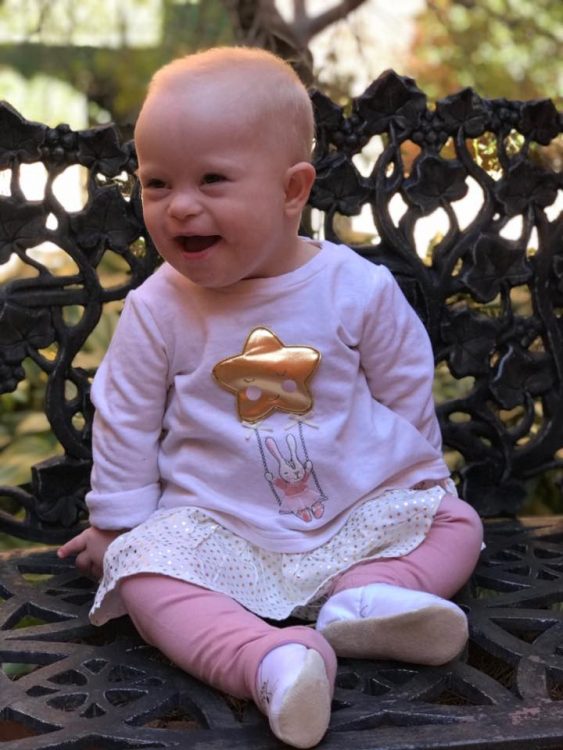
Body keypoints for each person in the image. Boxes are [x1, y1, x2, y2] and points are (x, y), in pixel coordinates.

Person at [58, 46, 483, 749]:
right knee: (143, 578)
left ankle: (368, 599)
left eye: (212, 180)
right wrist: (117, 524)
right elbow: (125, 417)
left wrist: (415, 474)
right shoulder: (159, 307)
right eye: (156, 183)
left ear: (292, 189)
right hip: (218, 527)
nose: (179, 206)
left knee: (455, 523)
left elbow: (401, 379)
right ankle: (273, 662)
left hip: (352, 513)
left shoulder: (355, 288)